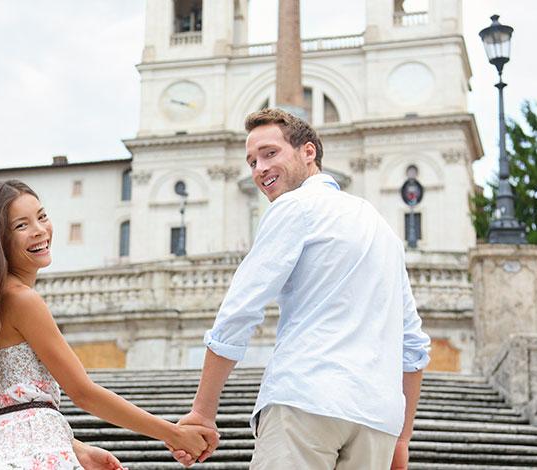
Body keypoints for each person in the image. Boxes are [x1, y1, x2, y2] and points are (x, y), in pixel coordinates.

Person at [176, 108, 431, 469]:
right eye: (251, 161)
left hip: (307, 398)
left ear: (308, 152)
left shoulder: (294, 206)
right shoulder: (382, 227)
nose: (259, 168)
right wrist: (402, 438)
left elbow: (240, 310)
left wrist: (202, 412)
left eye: (269, 153)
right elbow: (414, 345)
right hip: (377, 418)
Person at [0, 180, 217, 469]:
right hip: (32, 454)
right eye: (21, 225)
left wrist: (77, 449)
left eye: (42, 216)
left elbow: (8, 408)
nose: (39, 230)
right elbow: (83, 392)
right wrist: (173, 434)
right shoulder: (22, 300)